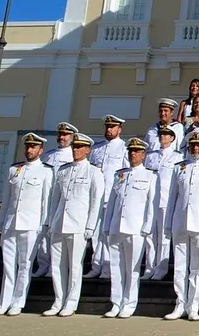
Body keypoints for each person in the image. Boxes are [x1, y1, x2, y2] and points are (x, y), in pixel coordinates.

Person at [163, 130, 199, 321]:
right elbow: (172, 198)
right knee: (180, 267)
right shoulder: (179, 167)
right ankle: (180, 303)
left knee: (198, 267)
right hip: (180, 222)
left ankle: (193, 305)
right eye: (193, 145)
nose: (196, 148)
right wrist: (167, 223)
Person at [0, 133, 54, 317]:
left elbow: (46, 201)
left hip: (31, 224)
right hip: (11, 223)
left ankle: (18, 302)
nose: (29, 150)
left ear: (40, 150)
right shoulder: (14, 169)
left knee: (25, 265)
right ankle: (4, 303)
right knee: (8, 266)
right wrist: (2, 220)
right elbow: (6, 198)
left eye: (33, 147)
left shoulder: (46, 171)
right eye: (27, 146)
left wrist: (44, 225)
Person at [44, 133, 104, 317]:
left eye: (79, 147)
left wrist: (90, 226)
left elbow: (96, 202)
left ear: (87, 150)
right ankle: (58, 301)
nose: (75, 150)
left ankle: (71, 302)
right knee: (57, 265)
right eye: (74, 147)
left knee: (75, 266)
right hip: (59, 223)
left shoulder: (93, 172)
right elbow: (55, 199)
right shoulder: (63, 170)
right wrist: (50, 222)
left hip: (78, 224)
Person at [102, 137, 157, 319]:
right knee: (116, 267)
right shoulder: (120, 175)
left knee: (132, 269)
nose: (133, 154)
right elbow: (112, 202)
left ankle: (129, 303)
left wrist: (147, 226)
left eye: (137, 151)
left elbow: (151, 204)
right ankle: (116, 302)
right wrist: (107, 224)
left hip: (135, 227)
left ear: (143, 155)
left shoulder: (150, 176)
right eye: (131, 151)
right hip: (116, 226)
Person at [87, 114, 130, 279]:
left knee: (109, 234)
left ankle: (107, 267)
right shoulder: (96, 149)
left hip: (112, 197)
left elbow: (126, 173)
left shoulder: (124, 148)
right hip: (95, 196)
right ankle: (96, 266)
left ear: (119, 129)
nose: (109, 129)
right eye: (107, 126)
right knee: (95, 234)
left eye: (112, 127)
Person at [33, 123, 76, 278]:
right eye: (60, 134)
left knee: (58, 234)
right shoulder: (49, 155)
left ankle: (55, 266)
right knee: (43, 232)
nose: (61, 137)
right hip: (47, 197)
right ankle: (43, 264)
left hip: (63, 199)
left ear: (71, 137)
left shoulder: (72, 155)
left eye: (65, 135)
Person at [143, 125, 183, 280]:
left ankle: (161, 269)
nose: (163, 137)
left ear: (172, 138)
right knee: (149, 236)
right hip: (150, 200)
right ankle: (149, 268)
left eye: (166, 135)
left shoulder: (177, 157)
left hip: (166, 199)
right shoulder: (151, 156)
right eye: (161, 135)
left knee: (164, 237)